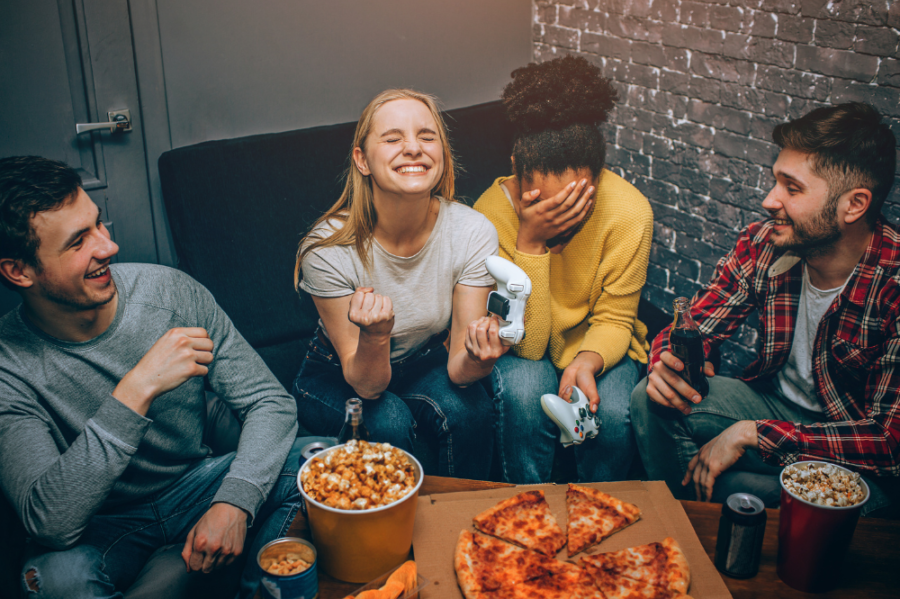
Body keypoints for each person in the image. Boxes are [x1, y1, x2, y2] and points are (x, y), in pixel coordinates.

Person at [0, 156, 306, 598]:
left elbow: (268, 402)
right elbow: (51, 523)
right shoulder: (9, 366)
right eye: (77, 242)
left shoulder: (169, 293)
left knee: (320, 464)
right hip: (102, 524)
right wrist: (136, 389)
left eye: (99, 225)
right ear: (18, 271)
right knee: (52, 582)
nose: (107, 247)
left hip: (195, 486)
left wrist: (234, 502)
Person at [631, 103, 899, 514]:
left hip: (859, 456)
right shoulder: (763, 243)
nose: (769, 200)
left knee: (759, 491)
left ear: (854, 205)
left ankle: (730, 506)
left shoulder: (892, 288)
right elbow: (694, 323)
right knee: (651, 399)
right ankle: (683, 529)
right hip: (774, 407)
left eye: (792, 189)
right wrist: (664, 363)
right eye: (776, 181)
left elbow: (888, 442)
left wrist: (753, 435)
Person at [291, 89, 502, 480]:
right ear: (362, 159)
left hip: (422, 362)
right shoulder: (326, 250)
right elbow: (368, 389)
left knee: (471, 410)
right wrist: (374, 337)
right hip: (338, 375)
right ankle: (401, 538)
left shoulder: (473, 232)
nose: (413, 149)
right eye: (392, 139)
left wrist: (480, 358)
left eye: (427, 136)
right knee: (387, 420)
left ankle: (467, 527)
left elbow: (458, 370)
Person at [473, 55, 654, 484]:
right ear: (516, 169)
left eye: (576, 206)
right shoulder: (490, 213)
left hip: (595, 339)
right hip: (521, 345)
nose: (562, 221)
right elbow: (530, 346)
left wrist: (589, 360)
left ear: (598, 177)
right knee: (522, 392)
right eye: (544, 205)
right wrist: (531, 242)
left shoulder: (630, 213)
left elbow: (615, 318)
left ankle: (599, 516)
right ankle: (528, 508)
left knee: (608, 410)